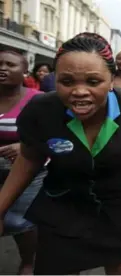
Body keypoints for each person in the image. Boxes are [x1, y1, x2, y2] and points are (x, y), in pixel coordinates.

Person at [0, 33, 121, 274]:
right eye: (67, 82)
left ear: (111, 80)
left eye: (93, 81)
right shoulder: (42, 111)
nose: (79, 91)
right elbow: (29, 158)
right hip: (63, 208)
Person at [0, 50, 46, 275]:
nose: (3, 68)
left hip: (27, 171)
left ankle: (28, 262)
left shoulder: (37, 100)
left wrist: (24, 145)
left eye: (10, 65)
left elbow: (54, 134)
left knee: (19, 222)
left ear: (25, 71)